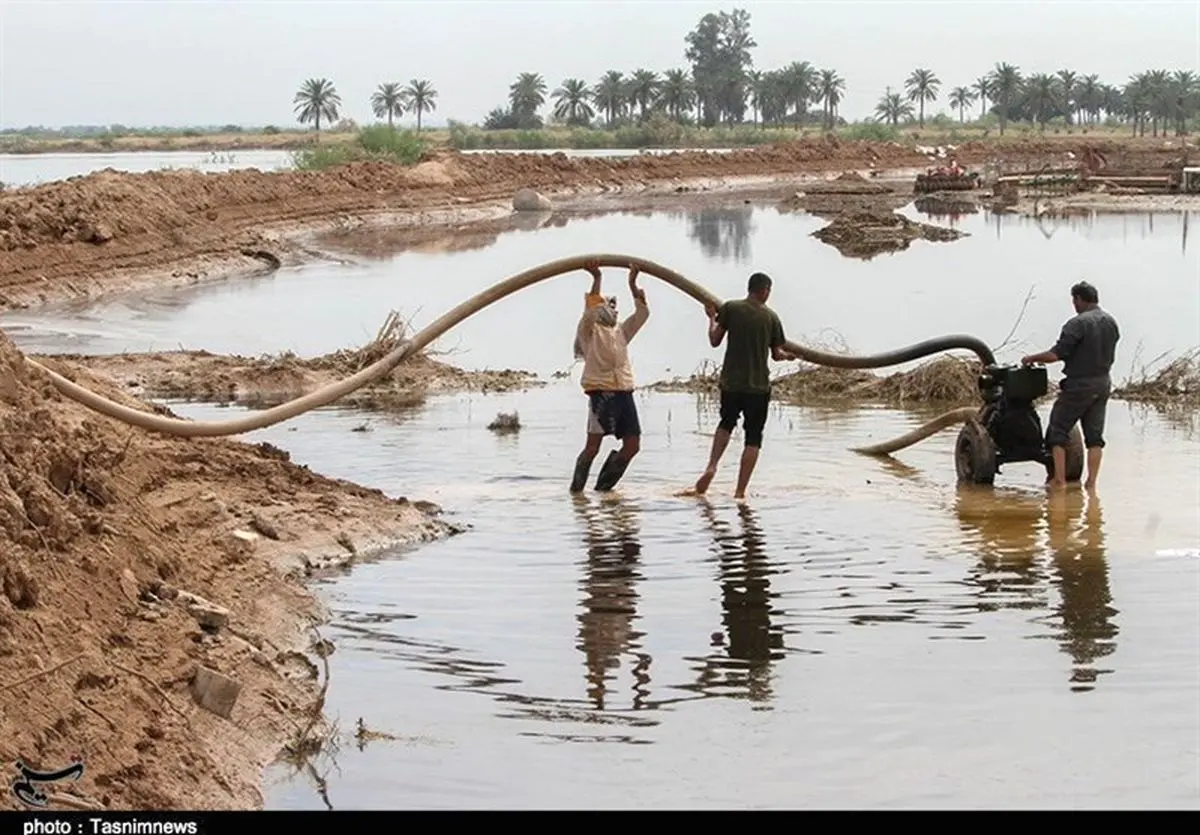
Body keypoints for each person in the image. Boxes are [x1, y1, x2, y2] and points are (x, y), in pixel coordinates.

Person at [693, 272, 799, 500]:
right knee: (753, 438)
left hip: (732, 383)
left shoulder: (731, 308)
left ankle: (712, 466)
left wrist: (711, 318)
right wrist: (789, 356)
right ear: (765, 291)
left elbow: (714, 340)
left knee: (725, 424)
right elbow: (777, 354)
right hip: (758, 387)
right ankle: (740, 492)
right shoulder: (771, 318)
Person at [1021, 281, 1120, 492]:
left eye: (1074, 300)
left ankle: (1059, 480)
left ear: (1079, 299)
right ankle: (1091, 483)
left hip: (1079, 384)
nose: (1074, 305)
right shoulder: (1111, 322)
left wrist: (1030, 358)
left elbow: (1055, 354)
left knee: (1057, 431)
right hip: (1103, 383)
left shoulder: (1077, 323)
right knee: (1095, 438)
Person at [570, 259, 649, 493]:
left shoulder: (621, 332)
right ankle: (576, 491)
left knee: (632, 445)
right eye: (608, 306)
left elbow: (642, 314)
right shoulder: (588, 331)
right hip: (601, 393)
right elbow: (590, 311)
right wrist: (597, 278)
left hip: (624, 392)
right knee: (592, 447)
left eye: (614, 307)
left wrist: (633, 285)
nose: (613, 310)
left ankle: (604, 491)